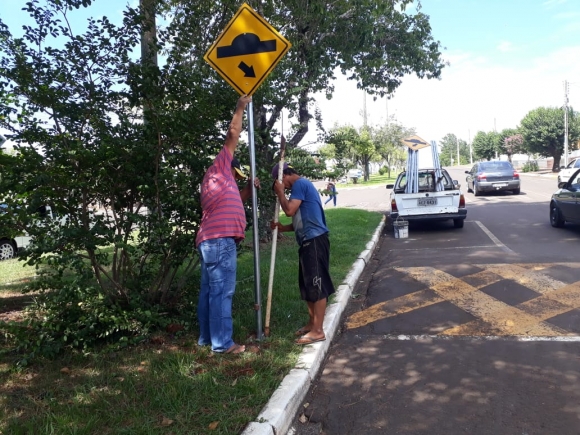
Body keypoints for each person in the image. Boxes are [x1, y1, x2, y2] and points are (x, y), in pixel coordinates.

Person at [196, 94, 259, 354]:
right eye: (237, 174)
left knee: (210, 291)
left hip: (211, 240)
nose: (237, 177)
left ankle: (207, 338)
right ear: (230, 167)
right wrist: (241, 105)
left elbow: (232, 201)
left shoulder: (219, 183)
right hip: (220, 241)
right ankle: (223, 344)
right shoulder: (220, 167)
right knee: (222, 292)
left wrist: (247, 189)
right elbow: (233, 133)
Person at [270, 155, 335, 345]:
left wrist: (281, 193)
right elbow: (300, 220)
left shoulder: (300, 184)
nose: (284, 188)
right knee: (307, 286)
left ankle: (318, 331)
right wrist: (284, 228)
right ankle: (311, 323)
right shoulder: (301, 187)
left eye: (281, 183)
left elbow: (289, 210)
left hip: (315, 242)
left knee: (316, 284)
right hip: (308, 241)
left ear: (285, 176)